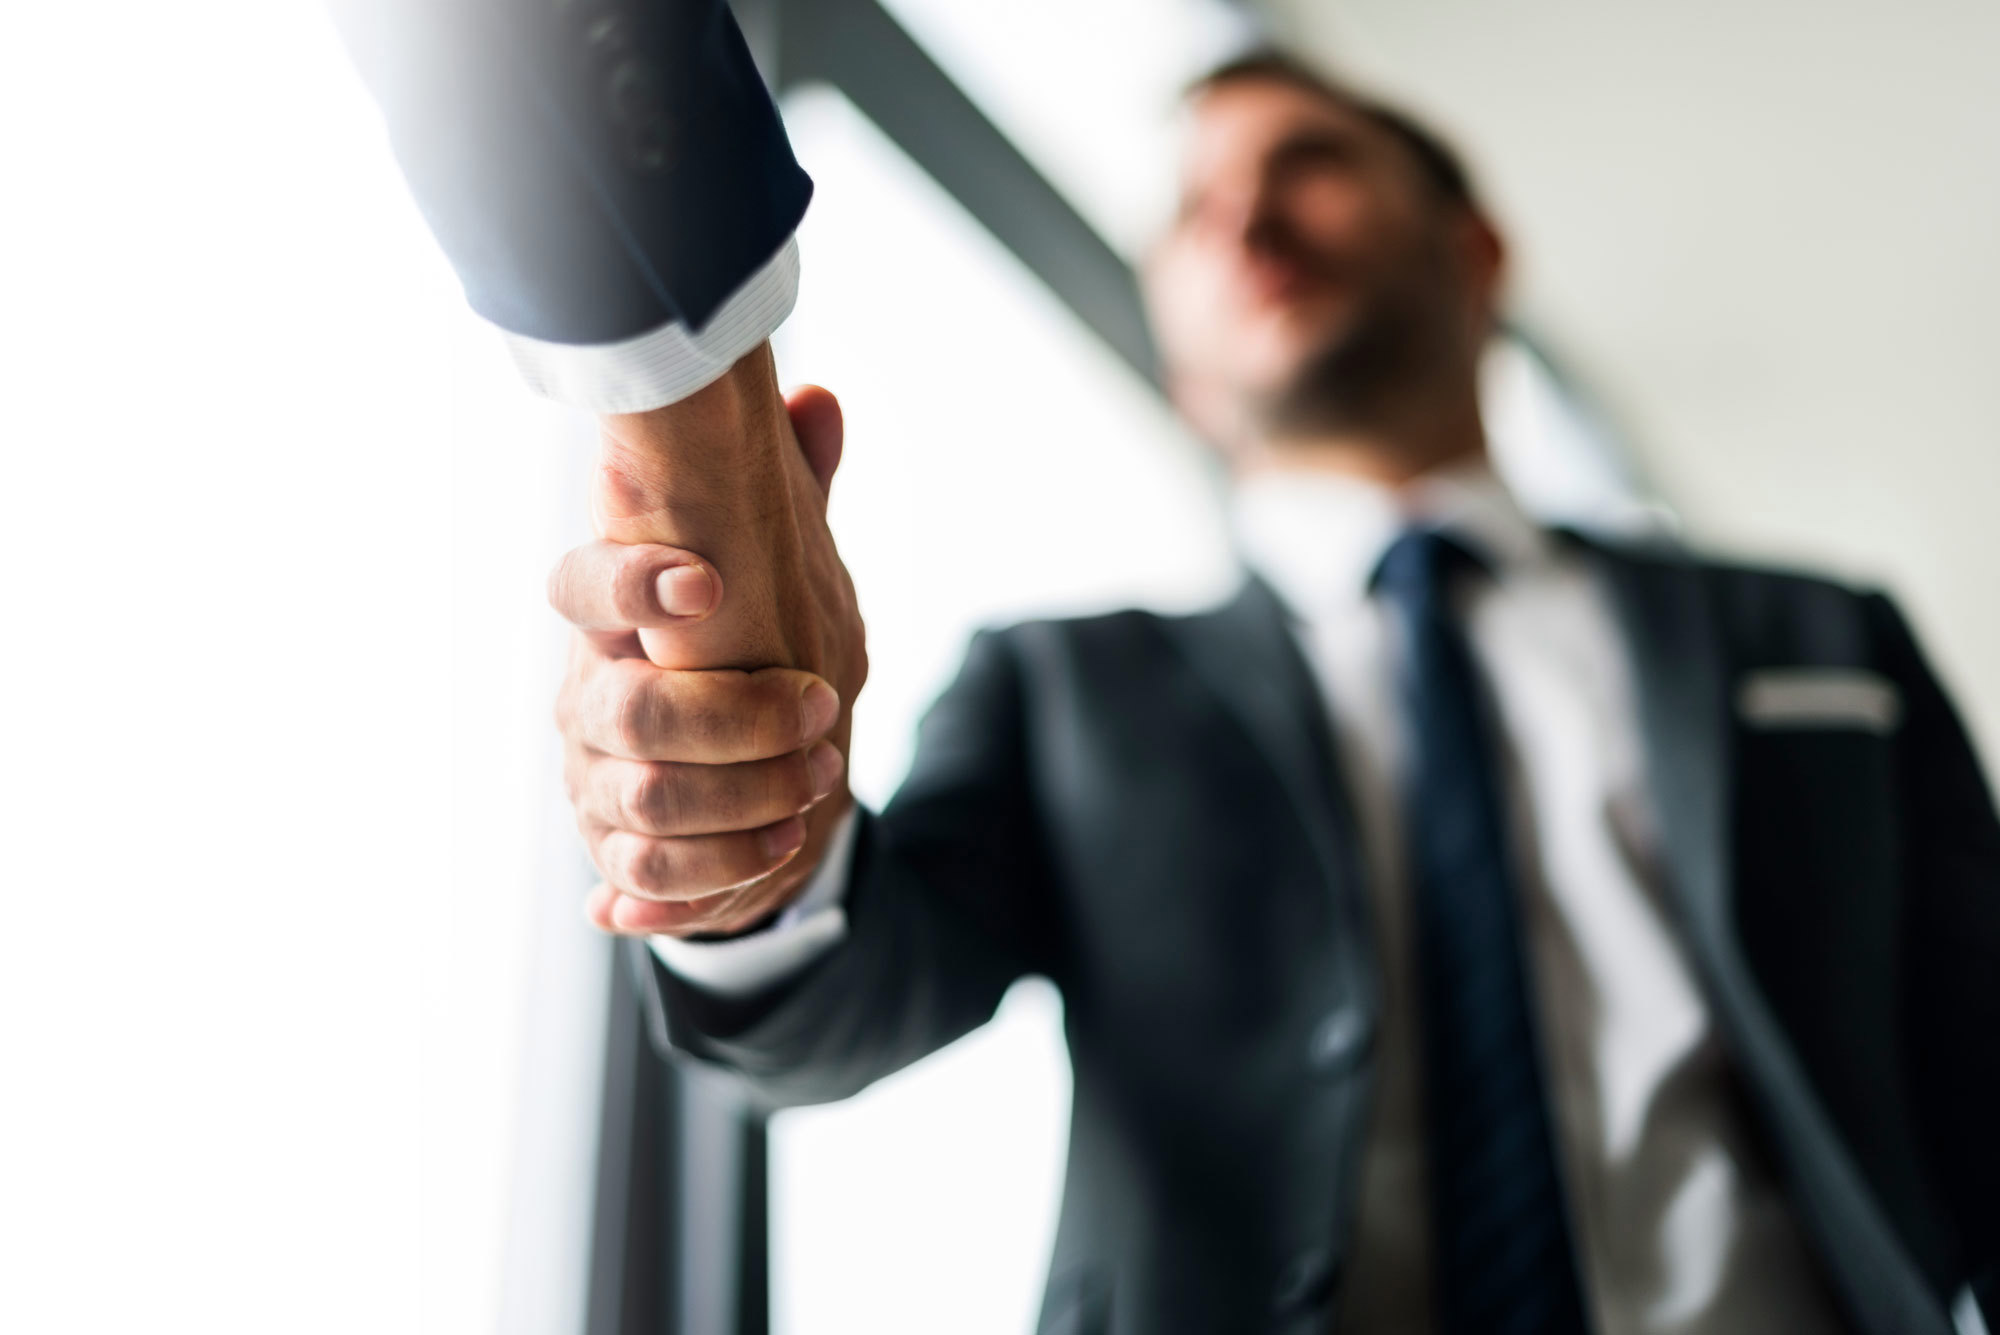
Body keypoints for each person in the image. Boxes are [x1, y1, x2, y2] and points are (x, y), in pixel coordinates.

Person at [335, 4, 1998, 1330]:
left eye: (1312, 161)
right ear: (1189, 375)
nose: (1249, 213)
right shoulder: (1071, 689)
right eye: (1195, 212)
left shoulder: (1818, 638)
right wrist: (745, 838)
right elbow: (849, 1007)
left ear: (1478, 251)